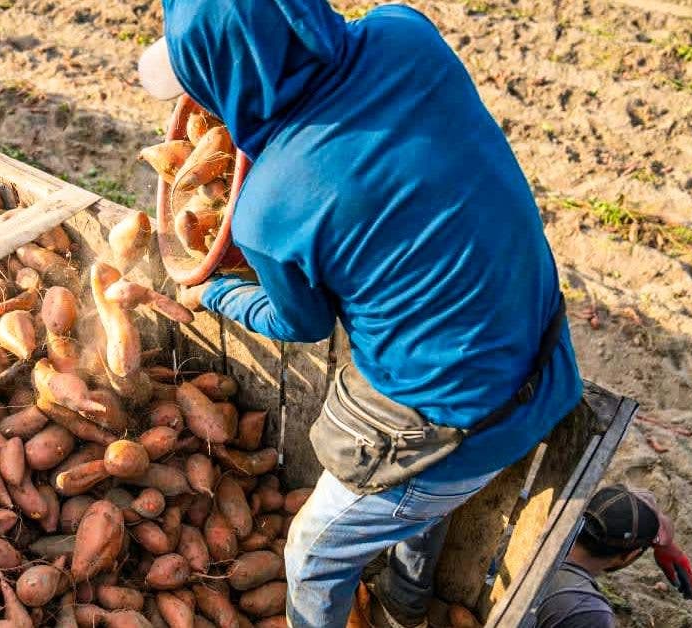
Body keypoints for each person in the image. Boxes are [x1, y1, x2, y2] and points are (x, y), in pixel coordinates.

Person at [138, 1, 584, 627]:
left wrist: (214, 295)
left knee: (312, 555)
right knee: (419, 505)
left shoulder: (266, 211)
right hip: (541, 358)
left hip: (447, 436)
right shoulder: (405, 32)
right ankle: (406, 604)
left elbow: (303, 324)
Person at [537, 485, 692, 628]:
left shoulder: (535, 531)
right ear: (628, 556)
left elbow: (627, 500)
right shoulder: (588, 612)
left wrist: (665, 544)